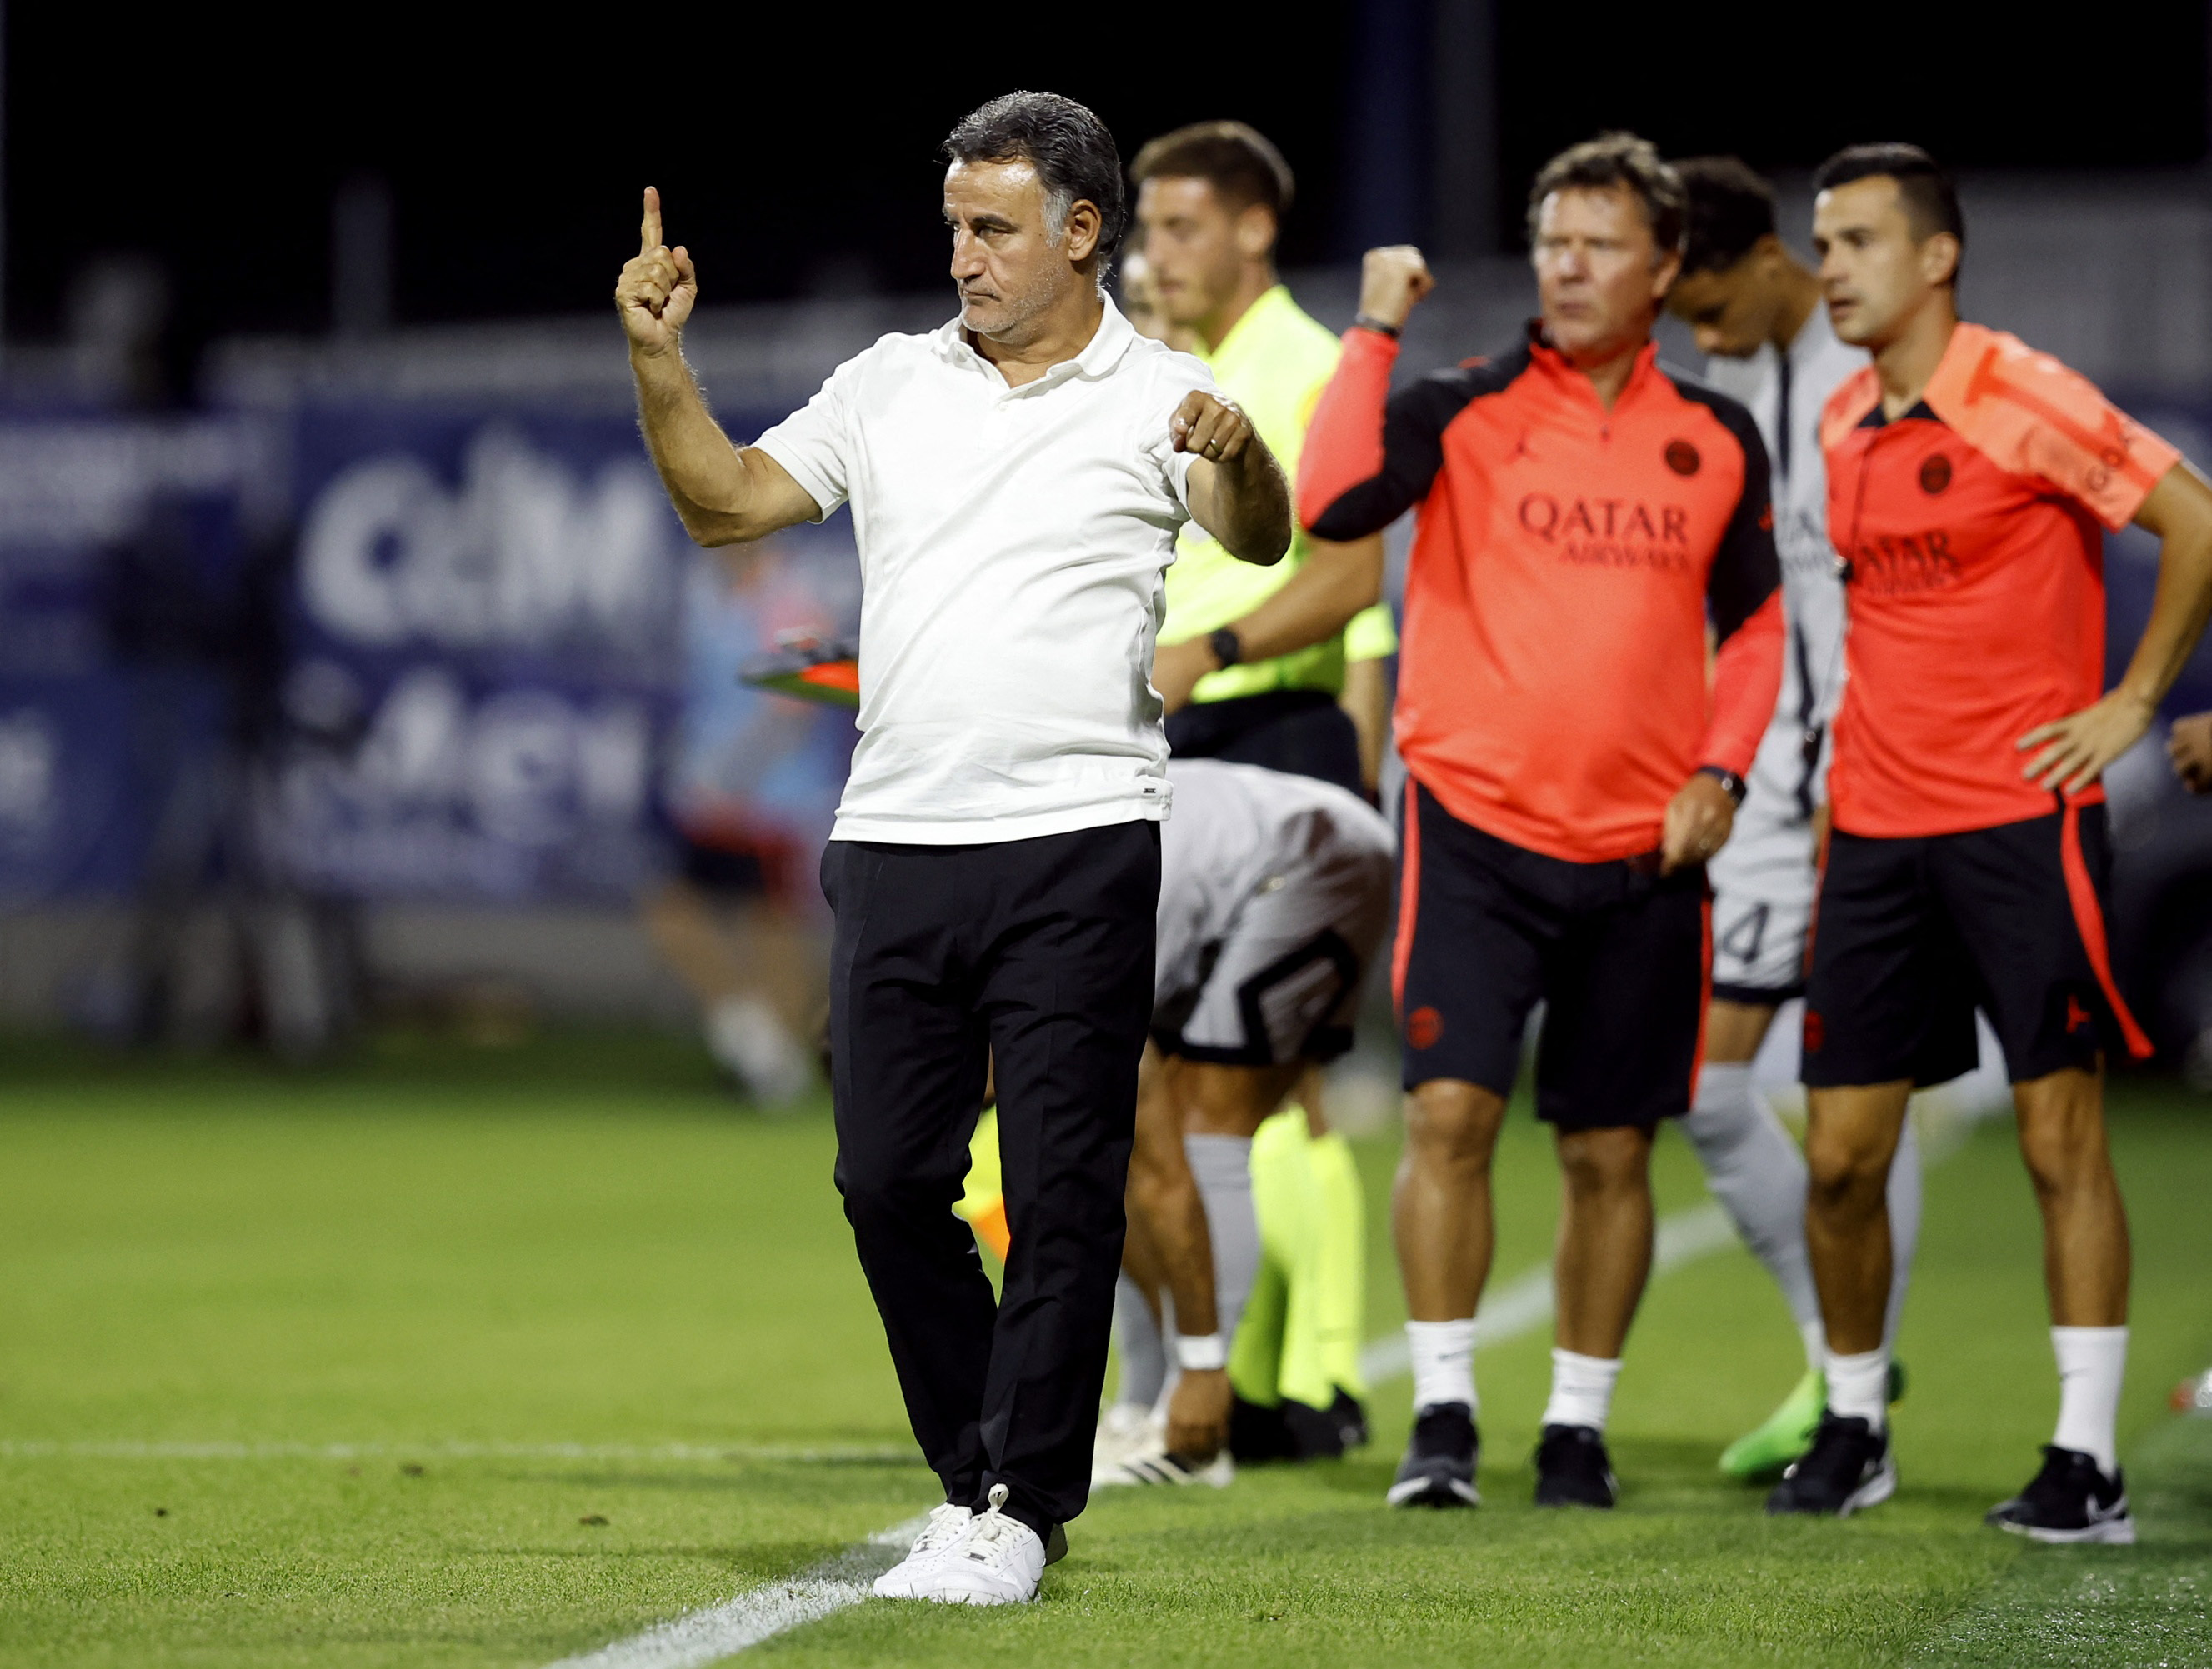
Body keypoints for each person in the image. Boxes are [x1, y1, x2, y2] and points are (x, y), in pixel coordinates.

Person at [614, 90, 1292, 1605]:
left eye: (993, 229)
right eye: (953, 228)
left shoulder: (1160, 395)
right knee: (880, 1180)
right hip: (897, 837)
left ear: (1079, 231)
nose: (965, 257)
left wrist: (1240, 453)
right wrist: (660, 363)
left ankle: (1016, 1505)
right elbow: (725, 504)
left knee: (1060, 1184)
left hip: (1079, 836)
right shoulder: (888, 383)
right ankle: (976, 1468)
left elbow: (1255, 535)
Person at [1300, 132, 1784, 1510]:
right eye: (1549, 241)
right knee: (1445, 1115)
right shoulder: (1456, 404)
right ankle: (1441, 1415)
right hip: (1472, 825)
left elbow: (1753, 625)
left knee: (1606, 1146)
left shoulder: (1713, 437)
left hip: (1644, 849)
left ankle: (1575, 1423)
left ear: (1663, 268)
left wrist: (1723, 769)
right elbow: (1329, 499)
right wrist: (1373, 332)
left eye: (1598, 244)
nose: (1565, 266)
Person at [1771, 144, 2212, 1541]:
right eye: (1819, 242)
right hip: (1875, 831)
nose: (1825, 266)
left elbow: (2190, 516)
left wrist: (2131, 703)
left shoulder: (2021, 392)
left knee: (2053, 1134)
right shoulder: (1839, 419)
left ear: (1933, 256)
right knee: (1838, 1153)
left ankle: (2082, 1456)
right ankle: (1852, 1420)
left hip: (2024, 819)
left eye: (1851, 241)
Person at [1662, 157, 1918, 1479]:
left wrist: (1844, 776)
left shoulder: (1865, 379)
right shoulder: (1742, 382)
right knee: (1730, 1091)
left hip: (1853, 784)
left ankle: (1848, 1380)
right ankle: (1845, 1365)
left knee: (1842, 1093)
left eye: (1708, 305)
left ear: (1772, 259)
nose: (1698, 338)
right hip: (1758, 785)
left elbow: (1882, 601)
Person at [1092, 757, 1393, 1486]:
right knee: (1111, 1142)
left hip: (1317, 853)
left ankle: (1194, 1423)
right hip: (1232, 859)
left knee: (1198, 1128)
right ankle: (1145, 1398)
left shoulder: (1080, 906)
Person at [1132, 121, 1388, 798]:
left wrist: (1206, 653)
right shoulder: (1185, 371)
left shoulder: (1313, 371)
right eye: (1150, 230)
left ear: (1253, 230)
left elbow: (1355, 580)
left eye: (1181, 229)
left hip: (1270, 729)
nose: (1156, 256)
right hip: (1177, 722)